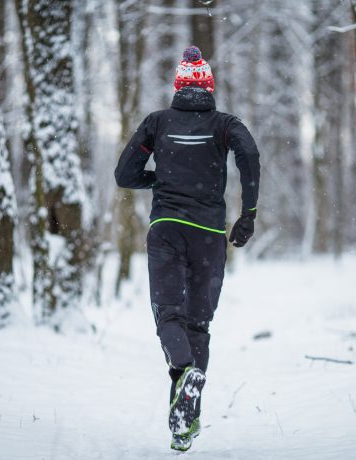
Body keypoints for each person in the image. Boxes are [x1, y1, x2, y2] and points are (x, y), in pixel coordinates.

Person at [115, 45, 261, 451]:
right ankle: (184, 421)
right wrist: (247, 214)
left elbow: (124, 175)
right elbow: (248, 153)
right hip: (209, 235)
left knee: (169, 315)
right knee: (198, 324)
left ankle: (183, 373)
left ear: (178, 86)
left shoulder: (158, 122)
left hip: (166, 229)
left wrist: (158, 182)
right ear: (209, 87)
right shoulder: (225, 124)